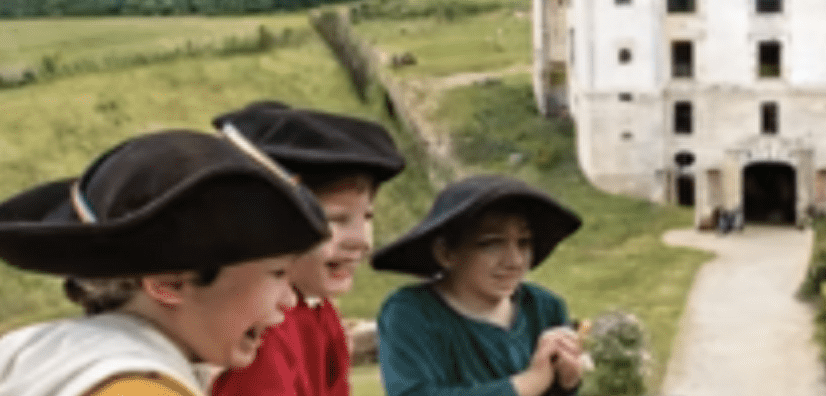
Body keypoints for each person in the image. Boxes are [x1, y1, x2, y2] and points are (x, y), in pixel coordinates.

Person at [0, 128, 329, 396]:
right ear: (169, 283)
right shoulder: (139, 387)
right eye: (277, 273)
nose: (288, 300)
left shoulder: (39, 353)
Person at [210, 101, 407, 396]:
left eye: (367, 216)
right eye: (336, 219)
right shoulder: (262, 331)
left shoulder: (319, 310)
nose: (362, 240)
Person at [372, 175, 585, 396]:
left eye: (524, 242)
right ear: (445, 253)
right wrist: (528, 383)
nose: (515, 261)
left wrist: (566, 382)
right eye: (492, 243)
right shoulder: (412, 314)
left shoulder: (543, 308)